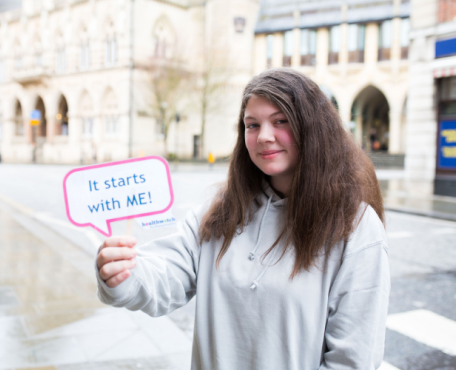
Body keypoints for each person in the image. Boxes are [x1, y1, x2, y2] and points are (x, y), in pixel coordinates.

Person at [95, 68, 390, 369]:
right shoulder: (219, 211)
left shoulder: (356, 228)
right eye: (252, 125)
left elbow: (353, 360)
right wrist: (122, 274)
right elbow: (164, 278)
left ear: (312, 128)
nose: (264, 136)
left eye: (280, 121)